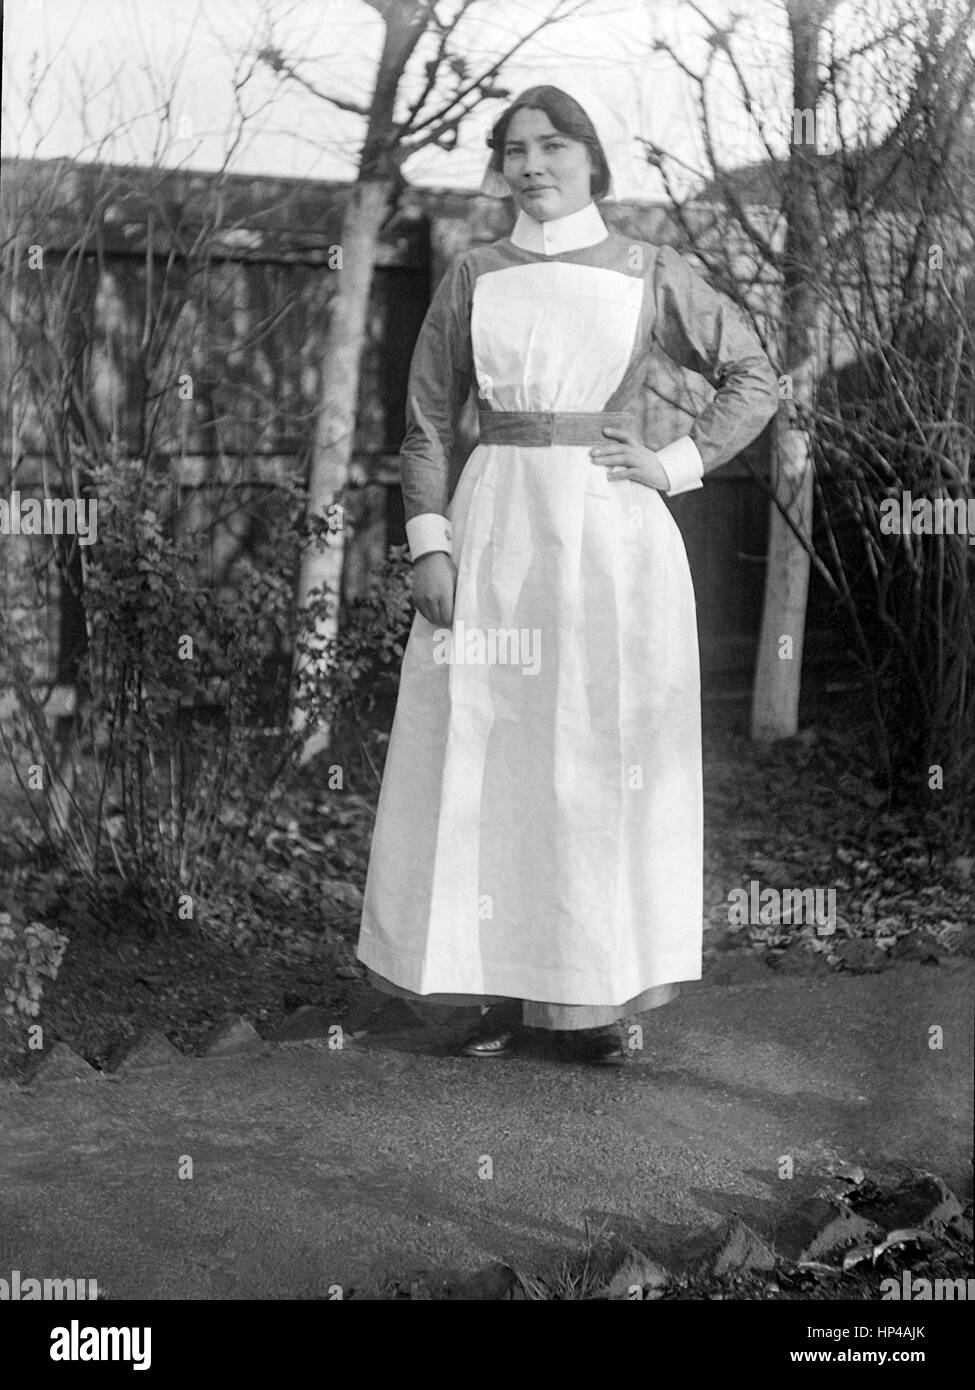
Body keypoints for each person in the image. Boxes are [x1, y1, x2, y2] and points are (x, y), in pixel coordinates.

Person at [355, 80, 779, 1063]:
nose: (534, 166)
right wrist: (430, 542)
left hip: (608, 538)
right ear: (501, 169)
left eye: (553, 147)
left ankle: (589, 996)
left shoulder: (649, 269)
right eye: (515, 151)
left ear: (591, 158)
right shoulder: (472, 275)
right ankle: (490, 984)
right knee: (487, 750)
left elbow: (755, 375)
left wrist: (674, 464)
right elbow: (423, 422)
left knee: (595, 751)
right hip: (494, 524)